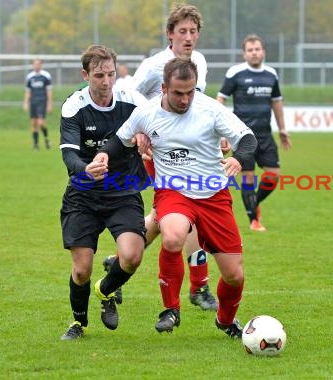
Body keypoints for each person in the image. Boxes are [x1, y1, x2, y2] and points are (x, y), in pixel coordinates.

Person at [96, 58, 257, 338]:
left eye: (190, 92)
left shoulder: (209, 109)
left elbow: (248, 139)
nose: (185, 99)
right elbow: (118, 140)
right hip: (173, 191)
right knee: (172, 237)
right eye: (178, 93)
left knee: (234, 275)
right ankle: (170, 310)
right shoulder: (146, 113)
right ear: (163, 88)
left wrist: (239, 159)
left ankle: (225, 320)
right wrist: (105, 155)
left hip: (214, 194)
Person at [107, 3, 217, 312]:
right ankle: (199, 285)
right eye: (182, 31)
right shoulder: (155, 65)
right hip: (161, 152)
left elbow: (200, 102)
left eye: (193, 31)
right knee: (190, 208)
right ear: (170, 34)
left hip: (193, 148)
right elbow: (127, 92)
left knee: (165, 217)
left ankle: (118, 263)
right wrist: (141, 128)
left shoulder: (199, 61)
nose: (188, 37)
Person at [59, 45, 149, 340]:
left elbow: (159, 125)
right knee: (81, 269)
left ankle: (105, 290)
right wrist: (84, 170)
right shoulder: (75, 106)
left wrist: (145, 134)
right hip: (83, 194)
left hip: (123, 192)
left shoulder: (133, 101)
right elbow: (69, 155)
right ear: (85, 75)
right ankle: (79, 324)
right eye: (99, 75)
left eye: (111, 74)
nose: (107, 81)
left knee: (132, 256)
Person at [216, 34, 291, 232]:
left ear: (263, 51)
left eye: (257, 49)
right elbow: (221, 99)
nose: (254, 53)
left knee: (273, 175)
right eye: (250, 50)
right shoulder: (235, 73)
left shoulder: (271, 74)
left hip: (265, 135)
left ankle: (253, 203)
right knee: (248, 178)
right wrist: (219, 129)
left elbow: (277, 102)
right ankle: (253, 220)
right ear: (244, 54)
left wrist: (282, 128)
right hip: (242, 136)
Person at [23, 58, 53, 150]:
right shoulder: (30, 77)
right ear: (33, 65)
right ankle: (36, 144)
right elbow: (28, 92)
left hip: (42, 102)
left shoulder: (46, 76)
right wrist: (26, 103)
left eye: (38, 64)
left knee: (41, 123)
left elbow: (49, 91)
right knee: (34, 124)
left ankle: (46, 139)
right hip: (33, 102)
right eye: (34, 64)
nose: (36, 66)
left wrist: (50, 104)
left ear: (41, 65)